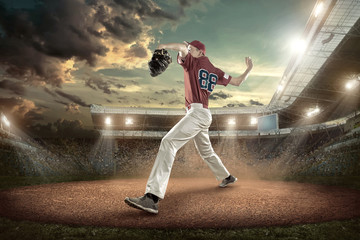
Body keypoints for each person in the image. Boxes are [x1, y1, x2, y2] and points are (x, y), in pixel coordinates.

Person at [125, 40, 253, 214]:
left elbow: (181, 48)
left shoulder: (193, 61)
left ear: (200, 52)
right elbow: (237, 82)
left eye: (191, 48)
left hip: (197, 113)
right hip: (204, 114)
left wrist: (162, 45)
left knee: (168, 142)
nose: (187, 50)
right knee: (206, 151)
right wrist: (249, 69)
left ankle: (152, 198)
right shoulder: (215, 70)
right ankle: (226, 177)